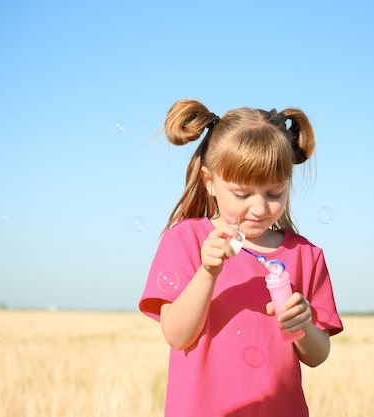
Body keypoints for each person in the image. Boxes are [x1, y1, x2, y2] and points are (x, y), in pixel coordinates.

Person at [139, 99, 343, 417]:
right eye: (242, 194)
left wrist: (304, 325)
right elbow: (177, 335)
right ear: (209, 181)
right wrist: (208, 271)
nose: (260, 208)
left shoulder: (305, 255)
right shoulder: (188, 240)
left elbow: (318, 355)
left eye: (275, 193)